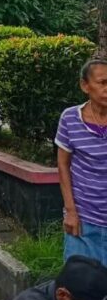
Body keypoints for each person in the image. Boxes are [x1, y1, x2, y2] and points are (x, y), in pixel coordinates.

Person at [55, 59, 107, 265]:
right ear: (85, 85)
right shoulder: (70, 119)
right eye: (103, 83)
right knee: (80, 286)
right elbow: (63, 165)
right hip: (84, 219)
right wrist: (70, 212)